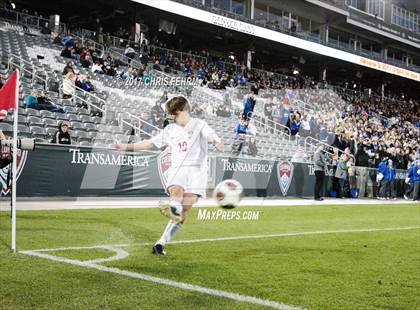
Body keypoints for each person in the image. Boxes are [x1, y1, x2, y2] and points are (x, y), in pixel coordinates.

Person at [114, 96, 223, 256]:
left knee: (184, 211)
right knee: (176, 191)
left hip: (197, 172)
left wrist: (216, 140)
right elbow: (149, 143)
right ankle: (173, 206)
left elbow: (210, 134)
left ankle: (160, 243)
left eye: (171, 114)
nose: (169, 117)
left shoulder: (199, 124)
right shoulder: (170, 130)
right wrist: (124, 146)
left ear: (178, 112)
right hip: (178, 168)